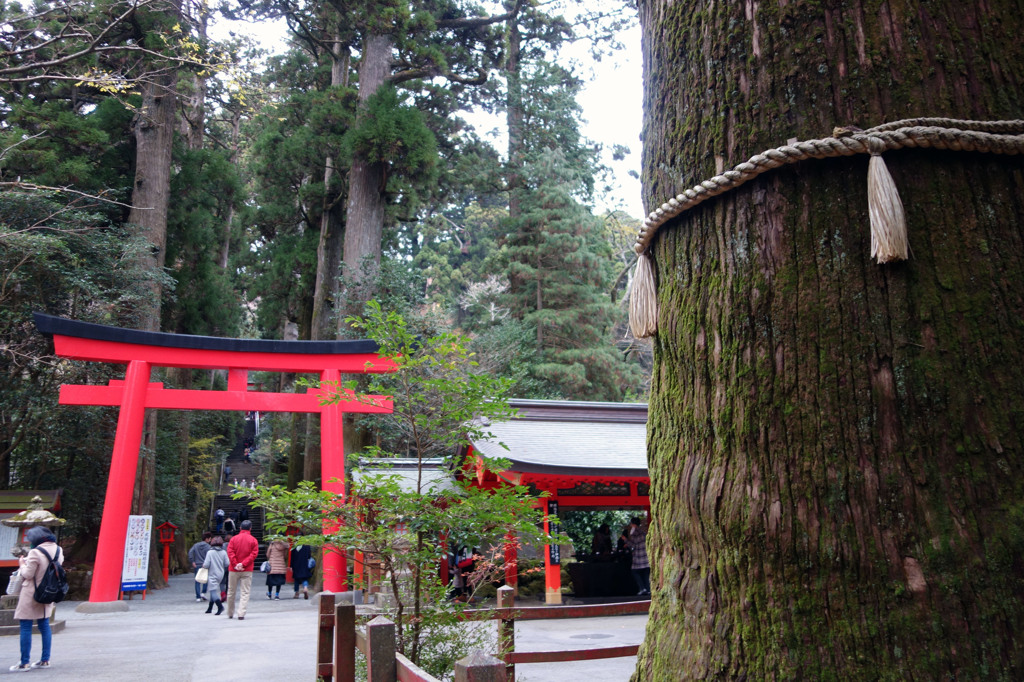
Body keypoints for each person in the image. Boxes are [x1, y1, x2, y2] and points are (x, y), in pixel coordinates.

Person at [10, 526, 62, 671]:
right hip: (48, 591)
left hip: (31, 592)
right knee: (44, 625)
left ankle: (24, 662)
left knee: (26, 625)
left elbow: (28, 574)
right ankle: (45, 660)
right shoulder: (58, 550)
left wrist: (21, 565)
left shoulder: (35, 552)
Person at [225, 519, 259, 620]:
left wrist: (236, 564)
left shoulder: (233, 539)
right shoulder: (253, 540)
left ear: (240, 528)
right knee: (245, 592)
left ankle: (230, 612)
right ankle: (241, 613)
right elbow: (254, 554)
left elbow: (230, 552)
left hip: (233, 569)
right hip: (247, 569)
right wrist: (243, 564)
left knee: (231, 591)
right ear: (250, 528)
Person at [621, 517, 650, 596]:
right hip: (646, 557)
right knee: (646, 574)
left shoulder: (634, 533)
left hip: (638, 558)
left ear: (633, 524)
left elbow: (633, 546)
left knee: (635, 572)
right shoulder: (643, 532)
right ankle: (648, 590)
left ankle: (642, 588)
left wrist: (625, 540)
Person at [202, 536, 229, 615]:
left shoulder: (210, 552)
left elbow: (206, 564)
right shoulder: (224, 552)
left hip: (212, 573)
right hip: (221, 574)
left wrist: (204, 566)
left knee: (212, 591)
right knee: (212, 589)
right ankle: (210, 608)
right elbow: (227, 563)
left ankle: (220, 606)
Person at [188, 531, 213, 601]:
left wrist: (192, 561)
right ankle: (203, 592)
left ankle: (198, 597)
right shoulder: (208, 547)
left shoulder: (196, 545)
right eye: (210, 539)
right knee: (206, 579)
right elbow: (210, 555)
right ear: (207, 539)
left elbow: (190, 552)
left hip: (197, 564)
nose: (210, 540)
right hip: (205, 564)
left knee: (197, 580)